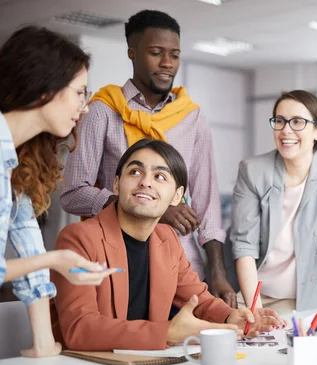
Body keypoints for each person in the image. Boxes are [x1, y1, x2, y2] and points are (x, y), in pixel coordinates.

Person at [60, 10, 237, 307]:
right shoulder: (103, 111)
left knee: (187, 349)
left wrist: (217, 271)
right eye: (156, 53)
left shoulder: (192, 117)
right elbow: (73, 193)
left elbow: (207, 204)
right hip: (117, 261)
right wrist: (153, 209)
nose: (167, 63)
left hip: (184, 266)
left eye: (175, 54)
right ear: (132, 53)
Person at [51, 139, 281, 351]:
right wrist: (168, 332)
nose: (145, 182)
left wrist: (229, 317)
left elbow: (198, 297)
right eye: (135, 171)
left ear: (177, 196)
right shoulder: (78, 238)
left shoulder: (166, 238)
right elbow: (79, 329)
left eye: (160, 176)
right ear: (117, 184)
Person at [0, 26, 118, 357]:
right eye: (80, 92)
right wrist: (58, 260)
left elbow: (28, 246)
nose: (86, 107)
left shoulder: (16, 158)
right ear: (44, 87)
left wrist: (43, 344)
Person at [230, 90, 317, 319]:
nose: (286, 130)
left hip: (308, 298)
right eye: (280, 121)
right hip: (258, 295)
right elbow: (244, 246)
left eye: (298, 122)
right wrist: (256, 309)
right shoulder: (253, 170)